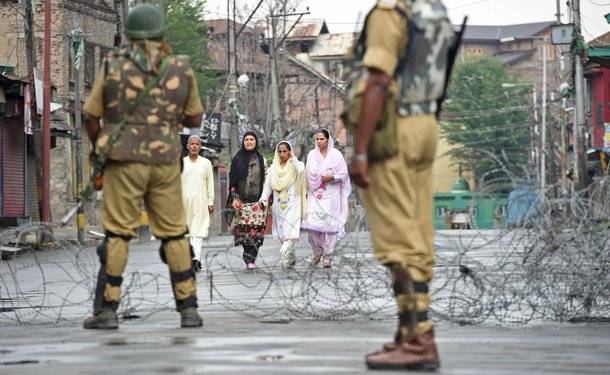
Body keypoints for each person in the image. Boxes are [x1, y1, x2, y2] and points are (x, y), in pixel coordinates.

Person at [82, 3, 203, 329]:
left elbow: (90, 115)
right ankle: (188, 309)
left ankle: (107, 311)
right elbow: (194, 118)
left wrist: (100, 148)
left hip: (123, 162)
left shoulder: (112, 67)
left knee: (119, 234)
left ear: (130, 35)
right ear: (161, 33)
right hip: (164, 161)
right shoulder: (180, 68)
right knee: (175, 235)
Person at [348, 0, 454, 370]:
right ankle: (410, 333)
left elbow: (378, 80)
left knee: (398, 239)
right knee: (419, 235)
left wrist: (360, 151)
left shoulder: (389, 12)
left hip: (393, 130)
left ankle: (420, 338)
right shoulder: (433, 10)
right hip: (425, 124)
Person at [301, 129, 351, 268]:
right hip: (315, 195)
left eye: (321, 139)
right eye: (317, 139)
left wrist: (332, 177)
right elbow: (308, 175)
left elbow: (344, 174)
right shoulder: (311, 155)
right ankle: (317, 251)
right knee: (312, 225)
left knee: (329, 226)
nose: (319, 141)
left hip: (331, 195)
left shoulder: (336, 155)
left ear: (328, 140)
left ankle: (328, 256)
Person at [259, 141, 306, 269]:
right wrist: (263, 199)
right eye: (280, 151)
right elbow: (268, 186)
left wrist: (294, 158)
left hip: (293, 204)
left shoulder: (295, 166)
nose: (282, 154)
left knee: (290, 231)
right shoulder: (273, 168)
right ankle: (290, 256)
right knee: (283, 233)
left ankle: (284, 256)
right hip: (279, 205)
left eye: (285, 151)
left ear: (289, 151)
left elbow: (302, 171)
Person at [228, 131, 268, 269]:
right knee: (244, 232)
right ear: (243, 142)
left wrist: (266, 198)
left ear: (256, 142)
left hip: (258, 202)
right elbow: (232, 181)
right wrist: (234, 198)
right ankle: (248, 258)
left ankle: (251, 259)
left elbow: (267, 181)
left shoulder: (262, 160)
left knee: (256, 231)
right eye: (246, 139)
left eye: (252, 139)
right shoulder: (237, 159)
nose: (249, 142)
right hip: (241, 202)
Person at [181, 135, 215, 272]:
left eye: (197, 144)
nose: (194, 146)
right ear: (188, 146)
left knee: (198, 232)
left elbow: (210, 183)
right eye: (192, 143)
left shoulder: (206, 163)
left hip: (201, 202)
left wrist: (210, 201)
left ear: (200, 147)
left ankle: (196, 259)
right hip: (183, 203)